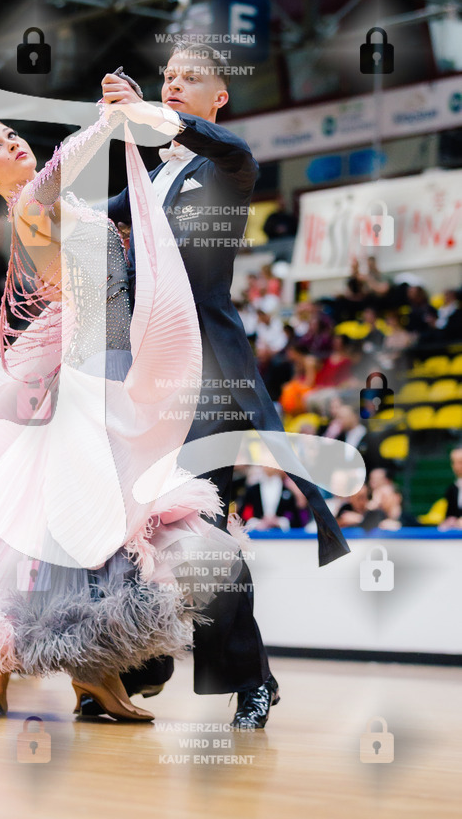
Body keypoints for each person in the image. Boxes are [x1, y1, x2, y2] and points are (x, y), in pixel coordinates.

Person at [0, 105, 251, 721]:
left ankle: (62, 665)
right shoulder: (30, 203)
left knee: (81, 520)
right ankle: (49, 662)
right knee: (94, 515)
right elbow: (66, 164)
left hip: (108, 363)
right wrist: (109, 122)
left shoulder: (61, 207)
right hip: (91, 371)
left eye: (12, 135)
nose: (13, 144)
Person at [104, 43, 349, 729]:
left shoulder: (227, 166)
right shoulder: (151, 178)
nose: (173, 83)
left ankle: (248, 681)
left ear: (219, 96)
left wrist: (148, 113)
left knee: (198, 528)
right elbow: (90, 218)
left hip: (208, 376)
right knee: (135, 524)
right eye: (167, 76)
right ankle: (140, 660)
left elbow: (221, 145)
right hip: (146, 377)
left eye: (190, 77)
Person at [439, 446, 462, 531]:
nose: (456, 466)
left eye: (460, 462)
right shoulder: (452, 489)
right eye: (454, 462)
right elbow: (450, 515)